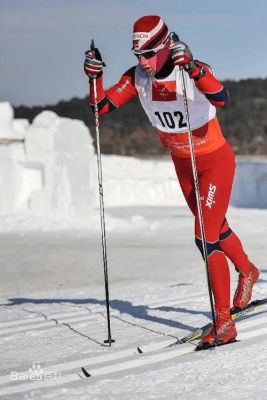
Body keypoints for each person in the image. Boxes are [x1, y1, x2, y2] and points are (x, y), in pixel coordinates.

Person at [84, 15, 260, 347]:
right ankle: (247, 271)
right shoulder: (138, 77)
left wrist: (193, 67)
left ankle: (224, 322)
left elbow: (222, 97)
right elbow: (100, 107)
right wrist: (94, 77)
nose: (144, 62)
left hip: (214, 162)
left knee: (205, 236)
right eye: (139, 56)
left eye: (150, 54)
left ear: (165, 46)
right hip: (183, 163)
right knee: (215, 227)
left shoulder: (188, 67)